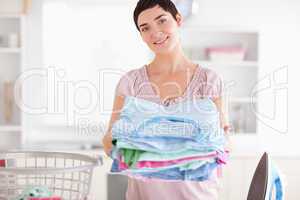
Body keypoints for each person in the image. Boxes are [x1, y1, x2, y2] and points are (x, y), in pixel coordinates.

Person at [102, 0, 229, 199]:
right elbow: (109, 142)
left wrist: (152, 140)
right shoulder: (130, 83)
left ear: (178, 19)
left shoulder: (209, 80)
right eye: (145, 28)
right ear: (141, 35)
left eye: (161, 21)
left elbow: (224, 142)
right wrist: (127, 143)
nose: (155, 33)